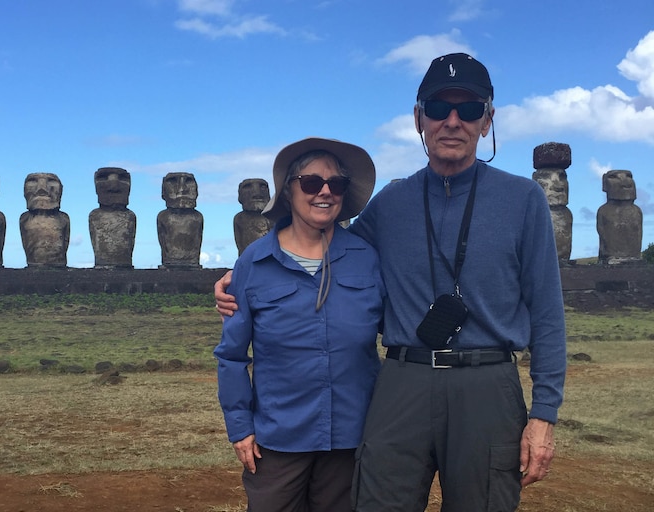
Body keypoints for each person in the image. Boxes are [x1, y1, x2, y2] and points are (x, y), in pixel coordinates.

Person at [216, 54, 566, 511]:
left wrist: (543, 414)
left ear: (488, 120)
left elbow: (547, 312)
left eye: (470, 109)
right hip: (403, 379)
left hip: (487, 381)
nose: (452, 121)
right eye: (439, 108)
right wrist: (244, 272)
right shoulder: (391, 202)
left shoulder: (523, 199)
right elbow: (325, 249)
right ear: (419, 118)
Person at [214, 137, 385, 512]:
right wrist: (240, 427)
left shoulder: (366, 259)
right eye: (311, 183)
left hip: (351, 435)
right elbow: (231, 355)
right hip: (277, 438)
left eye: (336, 184)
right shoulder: (254, 263)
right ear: (289, 191)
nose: (324, 192)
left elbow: (399, 329)